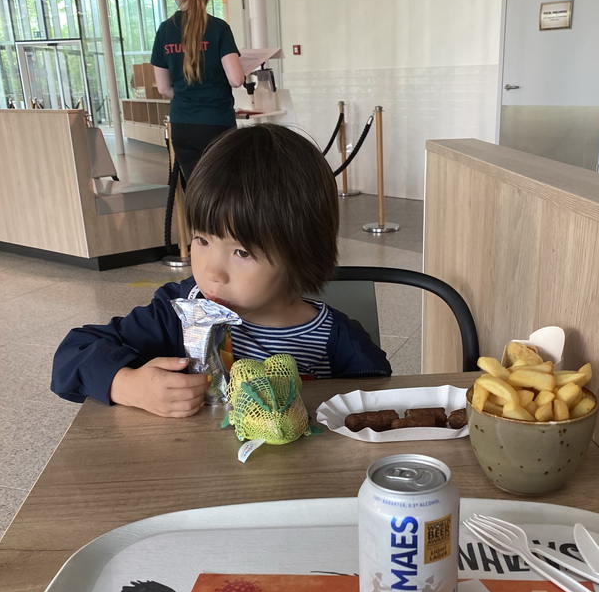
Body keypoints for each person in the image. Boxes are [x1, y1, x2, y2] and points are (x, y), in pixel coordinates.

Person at [51, 124, 392, 418]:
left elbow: (377, 405)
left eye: (241, 251)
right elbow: (73, 354)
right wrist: (127, 385)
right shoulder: (177, 313)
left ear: (302, 253)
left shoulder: (338, 341)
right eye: (201, 240)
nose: (212, 272)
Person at [151, 0, 245, 182]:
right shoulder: (219, 28)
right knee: (222, 191)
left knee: (196, 191)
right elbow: (236, 79)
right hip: (216, 123)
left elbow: (163, 87)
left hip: (182, 125)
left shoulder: (165, 30)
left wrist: (189, 95)